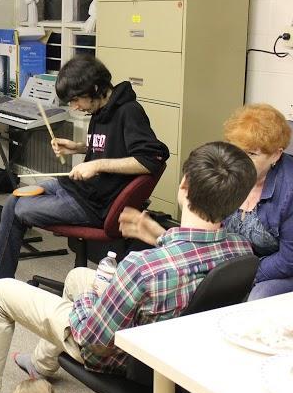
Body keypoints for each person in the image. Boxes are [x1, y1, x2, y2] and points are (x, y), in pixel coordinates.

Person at [0, 142, 256, 393]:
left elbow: (91, 339)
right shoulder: (241, 250)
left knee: (0, 291)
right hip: (175, 351)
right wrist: (159, 236)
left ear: (184, 185)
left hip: (116, 356)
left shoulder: (142, 267)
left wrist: (92, 297)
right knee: (77, 277)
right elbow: (190, 263)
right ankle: (41, 364)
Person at [0, 54, 169, 297]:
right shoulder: (101, 109)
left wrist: (97, 165)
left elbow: (152, 159)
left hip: (94, 205)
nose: (74, 107)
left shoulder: (129, 112)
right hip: (78, 188)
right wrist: (78, 147)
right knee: (14, 199)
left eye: (75, 100)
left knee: (21, 209)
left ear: (95, 88)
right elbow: (110, 146)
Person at [120, 103, 293, 300]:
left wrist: (239, 275)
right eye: (237, 149)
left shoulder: (289, 191)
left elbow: (288, 260)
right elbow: (207, 232)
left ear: (276, 154)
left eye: (252, 154)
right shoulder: (231, 173)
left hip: (276, 268)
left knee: (257, 298)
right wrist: (164, 238)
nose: (240, 160)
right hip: (234, 256)